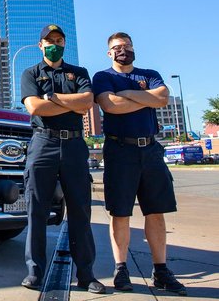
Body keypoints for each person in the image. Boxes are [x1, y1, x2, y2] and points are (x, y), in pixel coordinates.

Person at [92, 32, 187, 295]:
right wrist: (144, 96)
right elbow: (110, 106)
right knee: (120, 212)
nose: (123, 50)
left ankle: (161, 270)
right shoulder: (103, 77)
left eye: (127, 46)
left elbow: (162, 98)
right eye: (117, 47)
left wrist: (128, 95)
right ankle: (121, 269)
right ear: (109, 53)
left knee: (156, 211)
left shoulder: (150, 73)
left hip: (151, 150)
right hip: (120, 150)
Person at [20, 24, 105, 294]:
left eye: (59, 40)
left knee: (80, 210)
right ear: (40, 45)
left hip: (74, 145)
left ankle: (86, 274)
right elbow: (34, 106)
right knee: (37, 210)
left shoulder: (79, 73)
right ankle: (35, 272)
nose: (54, 44)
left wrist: (53, 98)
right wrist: (70, 101)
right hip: (43, 143)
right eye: (49, 40)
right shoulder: (31, 73)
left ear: (64, 44)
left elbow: (87, 102)